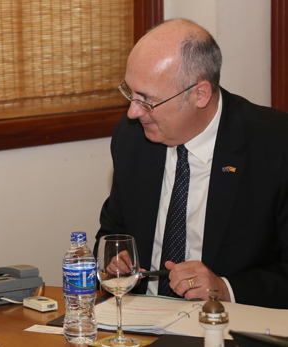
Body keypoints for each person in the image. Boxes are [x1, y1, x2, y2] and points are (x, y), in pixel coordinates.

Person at [95, 19, 287, 309]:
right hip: (141, 324)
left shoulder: (275, 145)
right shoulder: (132, 137)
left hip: (231, 324)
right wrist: (114, 260)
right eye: (130, 93)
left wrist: (225, 288)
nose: (133, 112)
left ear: (200, 94)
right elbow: (112, 231)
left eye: (147, 100)